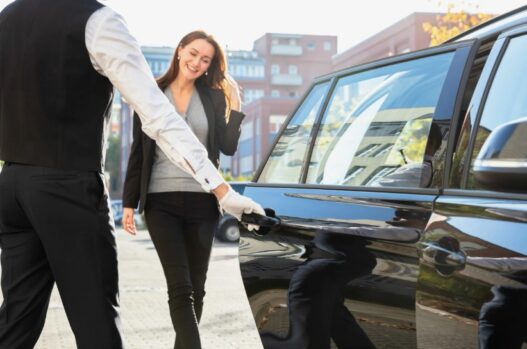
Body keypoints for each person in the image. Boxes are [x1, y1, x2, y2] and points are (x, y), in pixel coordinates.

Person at [0, 1, 264, 348]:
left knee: (16, 322)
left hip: (12, 186)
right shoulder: (98, 20)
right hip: (68, 187)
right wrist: (222, 191)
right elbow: (158, 116)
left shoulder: (7, 17)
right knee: (97, 321)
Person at [121, 30, 245, 349]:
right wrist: (129, 202)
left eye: (205, 59)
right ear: (179, 51)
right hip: (160, 203)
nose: (197, 62)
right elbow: (139, 150)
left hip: (203, 203)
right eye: (193, 53)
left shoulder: (213, 97)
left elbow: (228, 148)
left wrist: (235, 104)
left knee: (197, 289)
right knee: (180, 287)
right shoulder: (152, 93)